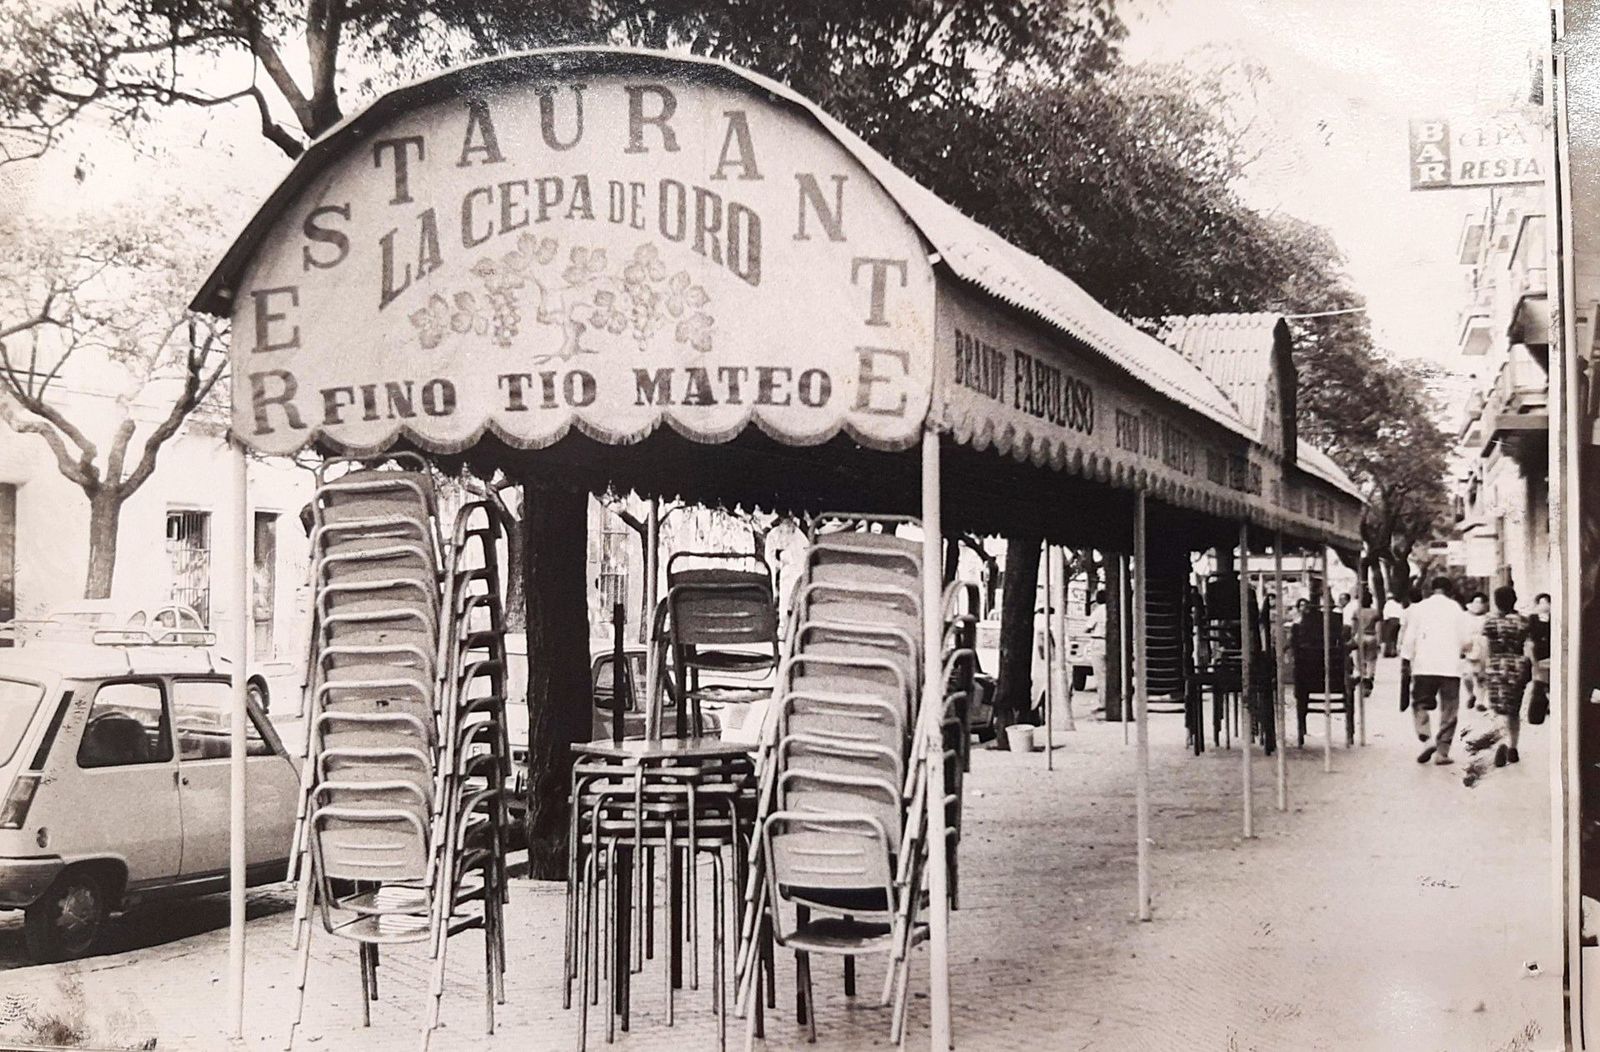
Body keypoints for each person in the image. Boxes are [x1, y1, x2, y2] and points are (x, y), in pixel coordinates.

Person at [1400, 576, 1475, 765]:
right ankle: (1442, 752)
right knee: (1449, 709)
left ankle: (1426, 740)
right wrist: (1463, 650)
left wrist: (1406, 660)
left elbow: (1409, 639)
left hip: (1424, 666)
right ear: (1450, 591)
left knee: (1420, 704)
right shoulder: (1457, 610)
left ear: (1431, 590)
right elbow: (1466, 641)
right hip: (1450, 667)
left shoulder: (1418, 609)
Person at [1480, 585, 1532, 767]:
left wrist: (1482, 669)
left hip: (1496, 664)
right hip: (1517, 665)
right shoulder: (1523, 621)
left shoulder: (1490, 622)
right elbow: (1529, 646)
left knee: (1497, 707)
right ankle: (1513, 746)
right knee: (1514, 709)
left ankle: (1501, 742)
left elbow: (1485, 647)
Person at [1463, 591, 1490, 711]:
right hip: (1468, 645)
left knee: (1481, 675)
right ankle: (1471, 695)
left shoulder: (1487, 618)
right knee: (1467, 675)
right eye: (1476, 602)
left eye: (1481, 602)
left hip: (1483, 646)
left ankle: (1480, 701)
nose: (1478, 605)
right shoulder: (1464, 616)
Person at [1382, 592, 1405, 657]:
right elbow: (1401, 613)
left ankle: (1388, 652)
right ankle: (1394, 651)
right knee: (1395, 637)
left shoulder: (1387, 604)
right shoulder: (1398, 604)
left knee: (1388, 637)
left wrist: (1385, 621)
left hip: (1390, 621)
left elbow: (1385, 614)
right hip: (1397, 621)